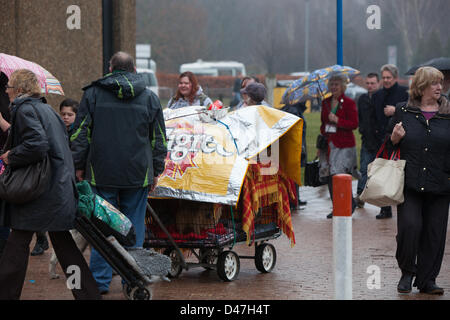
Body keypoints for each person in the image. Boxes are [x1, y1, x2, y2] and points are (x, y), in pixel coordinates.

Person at [71, 51, 167, 295]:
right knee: (133, 227)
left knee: (101, 226)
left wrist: (78, 166)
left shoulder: (92, 94)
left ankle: (100, 282)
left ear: (110, 68)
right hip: (138, 174)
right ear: (134, 69)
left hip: (101, 173)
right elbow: (159, 140)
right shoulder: (149, 98)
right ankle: (132, 280)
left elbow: (80, 134)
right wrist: (156, 170)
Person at [0, 69, 101, 300]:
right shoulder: (46, 109)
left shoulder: (24, 109)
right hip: (57, 191)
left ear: (19, 89)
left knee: (17, 245)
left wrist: (11, 156)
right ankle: (87, 294)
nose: (7, 93)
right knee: (66, 251)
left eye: (9, 88)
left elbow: (37, 145)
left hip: (40, 193)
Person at [388, 66, 450, 295]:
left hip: (440, 184)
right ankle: (407, 272)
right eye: (434, 83)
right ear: (421, 86)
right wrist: (394, 139)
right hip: (410, 182)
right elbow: (386, 144)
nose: (439, 87)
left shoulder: (448, 112)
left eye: (441, 82)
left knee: (434, 234)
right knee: (409, 228)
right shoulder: (403, 111)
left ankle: (427, 280)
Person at [317, 73, 359, 219]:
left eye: (337, 84)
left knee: (340, 175)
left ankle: (349, 204)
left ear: (343, 86)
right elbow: (323, 124)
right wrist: (324, 134)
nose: (334, 87)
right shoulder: (325, 103)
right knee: (330, 176)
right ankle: (337, 206)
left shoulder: (348, 103)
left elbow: (354, 124)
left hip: (344, 145)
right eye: (332, 84)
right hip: (329, 144)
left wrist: (338, 120)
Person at [371, 64, 409, 219]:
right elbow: (372, 117)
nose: (386, 80)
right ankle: (384, 208)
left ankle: (403, 204)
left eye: (389, 78)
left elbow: (410, 114)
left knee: (399, 172)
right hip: (380, 139)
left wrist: (396, 110)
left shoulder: (403, 94)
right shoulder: (377, 95)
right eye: (384, 77)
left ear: (395, 78)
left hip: (399, 139)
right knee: (382, 173)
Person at [355, 73, 380, 208]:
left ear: (378, 83)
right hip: (366, 139)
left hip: (380, 141)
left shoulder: (381, 97)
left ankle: (383, 196)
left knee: (380, 170)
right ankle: (360, 195)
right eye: (368, 83)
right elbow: (360, 116)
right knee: (364, 168)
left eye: (372, 83)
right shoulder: (362, 99)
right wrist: (362, 129)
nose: (370, 86)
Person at [281, 101, 308, 210]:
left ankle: (294, 198)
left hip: (290, 147)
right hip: (295, 146)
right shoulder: (294, 111)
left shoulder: (290, 109)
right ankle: (293, 200)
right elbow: (297, 130)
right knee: (293, 174)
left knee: (291, 173)